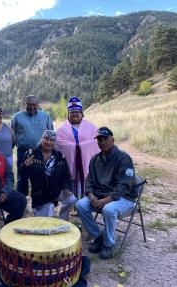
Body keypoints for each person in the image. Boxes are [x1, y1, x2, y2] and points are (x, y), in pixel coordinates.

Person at [75, 127, 137, 259]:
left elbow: (124, 185)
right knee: (80, 204)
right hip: (101, 196)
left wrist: (106, 200)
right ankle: (98, 236)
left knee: (108, 210)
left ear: (112, 140)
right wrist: (91, 194)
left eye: (105, 139)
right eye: (99, 140)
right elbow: (89, 180)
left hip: (123, 198)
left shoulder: (123, 158)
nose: (102, 142)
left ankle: (108, 244)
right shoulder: (95, 159)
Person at [19, 130, 76, 220]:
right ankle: (47, 207)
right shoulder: (31, 153)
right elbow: (22, 174)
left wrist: (67, 188)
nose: (48, 142)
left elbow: (66, 175)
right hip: (40, 194)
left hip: (56, 190)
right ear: (42, 139)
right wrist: (26, 166)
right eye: (46, 139)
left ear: (54, 142)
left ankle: (63, 219)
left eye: (52, 140)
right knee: (46, 220)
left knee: (71, 199)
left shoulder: (59, 155)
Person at [56, 97, 99, 198]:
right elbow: (57, 142)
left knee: (85, 186)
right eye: (72, 112)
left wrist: (81, 147)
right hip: (70, 163)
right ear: (68, 114)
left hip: (86, 162)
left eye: (77, 111)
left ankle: (84, 205)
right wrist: (74, 147)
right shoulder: (61, 130)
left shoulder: (91, 127)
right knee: (71, 188)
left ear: (82, 113)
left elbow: (97, 140)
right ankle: (74, 206)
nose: (75, 114)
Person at [11, 95, 54, 196]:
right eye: (29, 105)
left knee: (41, 178)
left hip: (41, 153)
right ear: (25, 104)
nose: (32, 107)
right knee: (22, 179)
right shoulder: (17, 117)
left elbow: (51, 133)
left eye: (34, 105)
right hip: (22, 152)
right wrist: (9, 149)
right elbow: (12, 135)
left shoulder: (45, 116)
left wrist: (52, 151)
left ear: (37, 105)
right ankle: (22, 204)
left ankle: (41, 204)